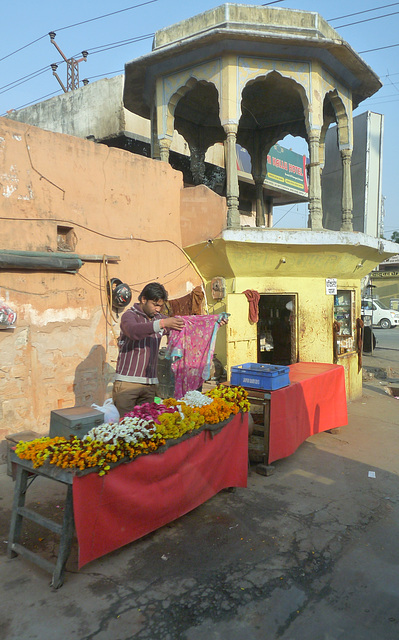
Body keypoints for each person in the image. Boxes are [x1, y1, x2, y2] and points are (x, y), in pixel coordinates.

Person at [112, 282, 184, 417]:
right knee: (124, 427)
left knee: (146, 427)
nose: (157, 309)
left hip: (150, 385)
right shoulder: (129, 316)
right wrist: (162, 324)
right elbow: (133, 331)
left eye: (160, 306)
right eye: (155, 304)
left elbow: (183, 325)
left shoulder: (159, 318)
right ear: (143, 299)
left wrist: (213, 322)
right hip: (128, 384)